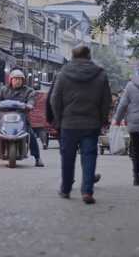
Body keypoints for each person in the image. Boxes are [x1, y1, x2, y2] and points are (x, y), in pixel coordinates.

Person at [50, 46, 112, 204]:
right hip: (91, 123)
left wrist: (58, 119)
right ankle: (87, 191)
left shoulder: (63, 73)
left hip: (68, 123)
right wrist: (103, 120)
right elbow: (106, 101)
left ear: (72, 55)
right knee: (89, 156)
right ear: (89, 55)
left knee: (67, 157)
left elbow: (54, 99)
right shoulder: (100, 74)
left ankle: (65, 189)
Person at [0, 69, 45, 167]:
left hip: (21, 117)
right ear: (11, 80)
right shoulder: (3, 89)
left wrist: (30, 105)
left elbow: (31, 100)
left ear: (23, 81)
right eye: (15, 79)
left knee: (31, 135)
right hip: (4, 116)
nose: (17, 81)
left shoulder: (29, 91)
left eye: (20, 79)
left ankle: (37, 158)